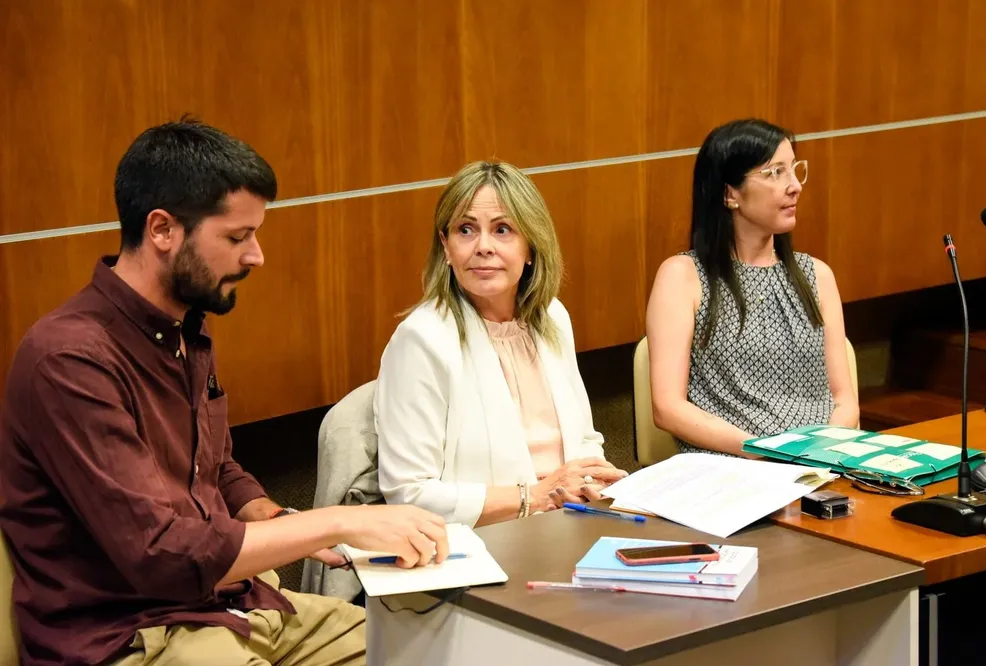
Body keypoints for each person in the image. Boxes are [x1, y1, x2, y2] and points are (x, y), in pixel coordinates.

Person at [0, 119, 449, 666]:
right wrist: (332, 521)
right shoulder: (69, 360)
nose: (256, 255)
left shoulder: (187, 326)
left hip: (228, 607)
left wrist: (272, 516)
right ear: (162, 230)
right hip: (131, 635)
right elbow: (158, 553)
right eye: (237, 237)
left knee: (425, 647)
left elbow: (213, 467)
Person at [374, 161, 628, 527]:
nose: (483, 247)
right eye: (465, 230)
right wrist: (534, 497)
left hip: (571, 521)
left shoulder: (552, 316)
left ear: (531, 247)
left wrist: (593, 479)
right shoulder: (421, 340)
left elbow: (585, 439)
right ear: (446, 246)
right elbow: (409, 495)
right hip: (483, 541)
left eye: (503, 230)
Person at [646, 118, 859, 458]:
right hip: (732, 468)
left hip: (820, 464)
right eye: (775, 173)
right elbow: (668, 408)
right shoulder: (682, 276)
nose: (795, 187)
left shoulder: (817, 275)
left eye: (794, 170)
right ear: (730, 193)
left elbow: (844, 400)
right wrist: (764, 452)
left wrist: (820, 453)